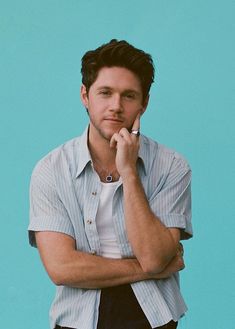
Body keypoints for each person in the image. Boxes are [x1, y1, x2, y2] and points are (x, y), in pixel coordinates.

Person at [28, 39, 192, 329]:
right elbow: (61, 268)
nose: (116, 107)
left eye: (129, 96)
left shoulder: (171, 166)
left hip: (154, 317)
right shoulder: (51, 170)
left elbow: (154, 258)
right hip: (77, 318)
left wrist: (128, 171)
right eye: (105, 93)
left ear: (145, 103)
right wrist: (148, 271)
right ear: (85, 95)